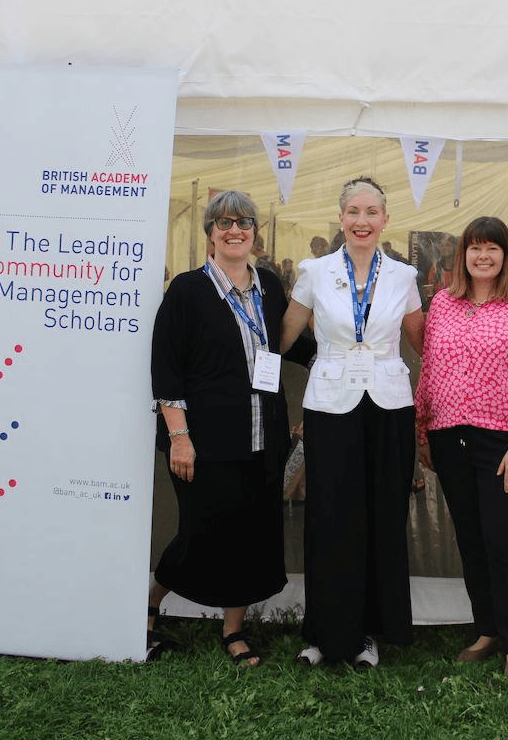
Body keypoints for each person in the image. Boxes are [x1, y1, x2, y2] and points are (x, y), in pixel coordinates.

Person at [148, 189, 311, 667]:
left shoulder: (271, 286)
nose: (235, 229)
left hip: (264, 438)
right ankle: (150, 603)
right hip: (205, 443)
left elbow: (286, 345)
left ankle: (233, 630)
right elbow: (166, 370)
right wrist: (180, 437)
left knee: (253, 534)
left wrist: (341, 357)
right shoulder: (187, 291)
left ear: (255, 233)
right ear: (210, 235)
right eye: (224, 223)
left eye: (243, 222)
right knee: (201, 533)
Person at [281, 176, 425, 668]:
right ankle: (325, 632)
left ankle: (369, 633)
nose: (362, 221)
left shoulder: (405, 276)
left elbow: (423, 343)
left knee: (381, 517)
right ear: (340, 217)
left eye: (371, 212)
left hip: (388, 404)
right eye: (353, 212)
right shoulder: (314, 272)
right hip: (330, 404)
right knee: (329, 517)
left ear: (385, 219)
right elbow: (282, 337)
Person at [415, 216, 508, 681]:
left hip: (502, 443)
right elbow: (429, 370)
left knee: (503, 540)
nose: (483, 256)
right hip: (449, 436)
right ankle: (487, 631)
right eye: (475, 248)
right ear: (463, 256)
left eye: (492, 248)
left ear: (506, 255)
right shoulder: (443, 306)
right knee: (471, 541)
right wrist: (423, 430)